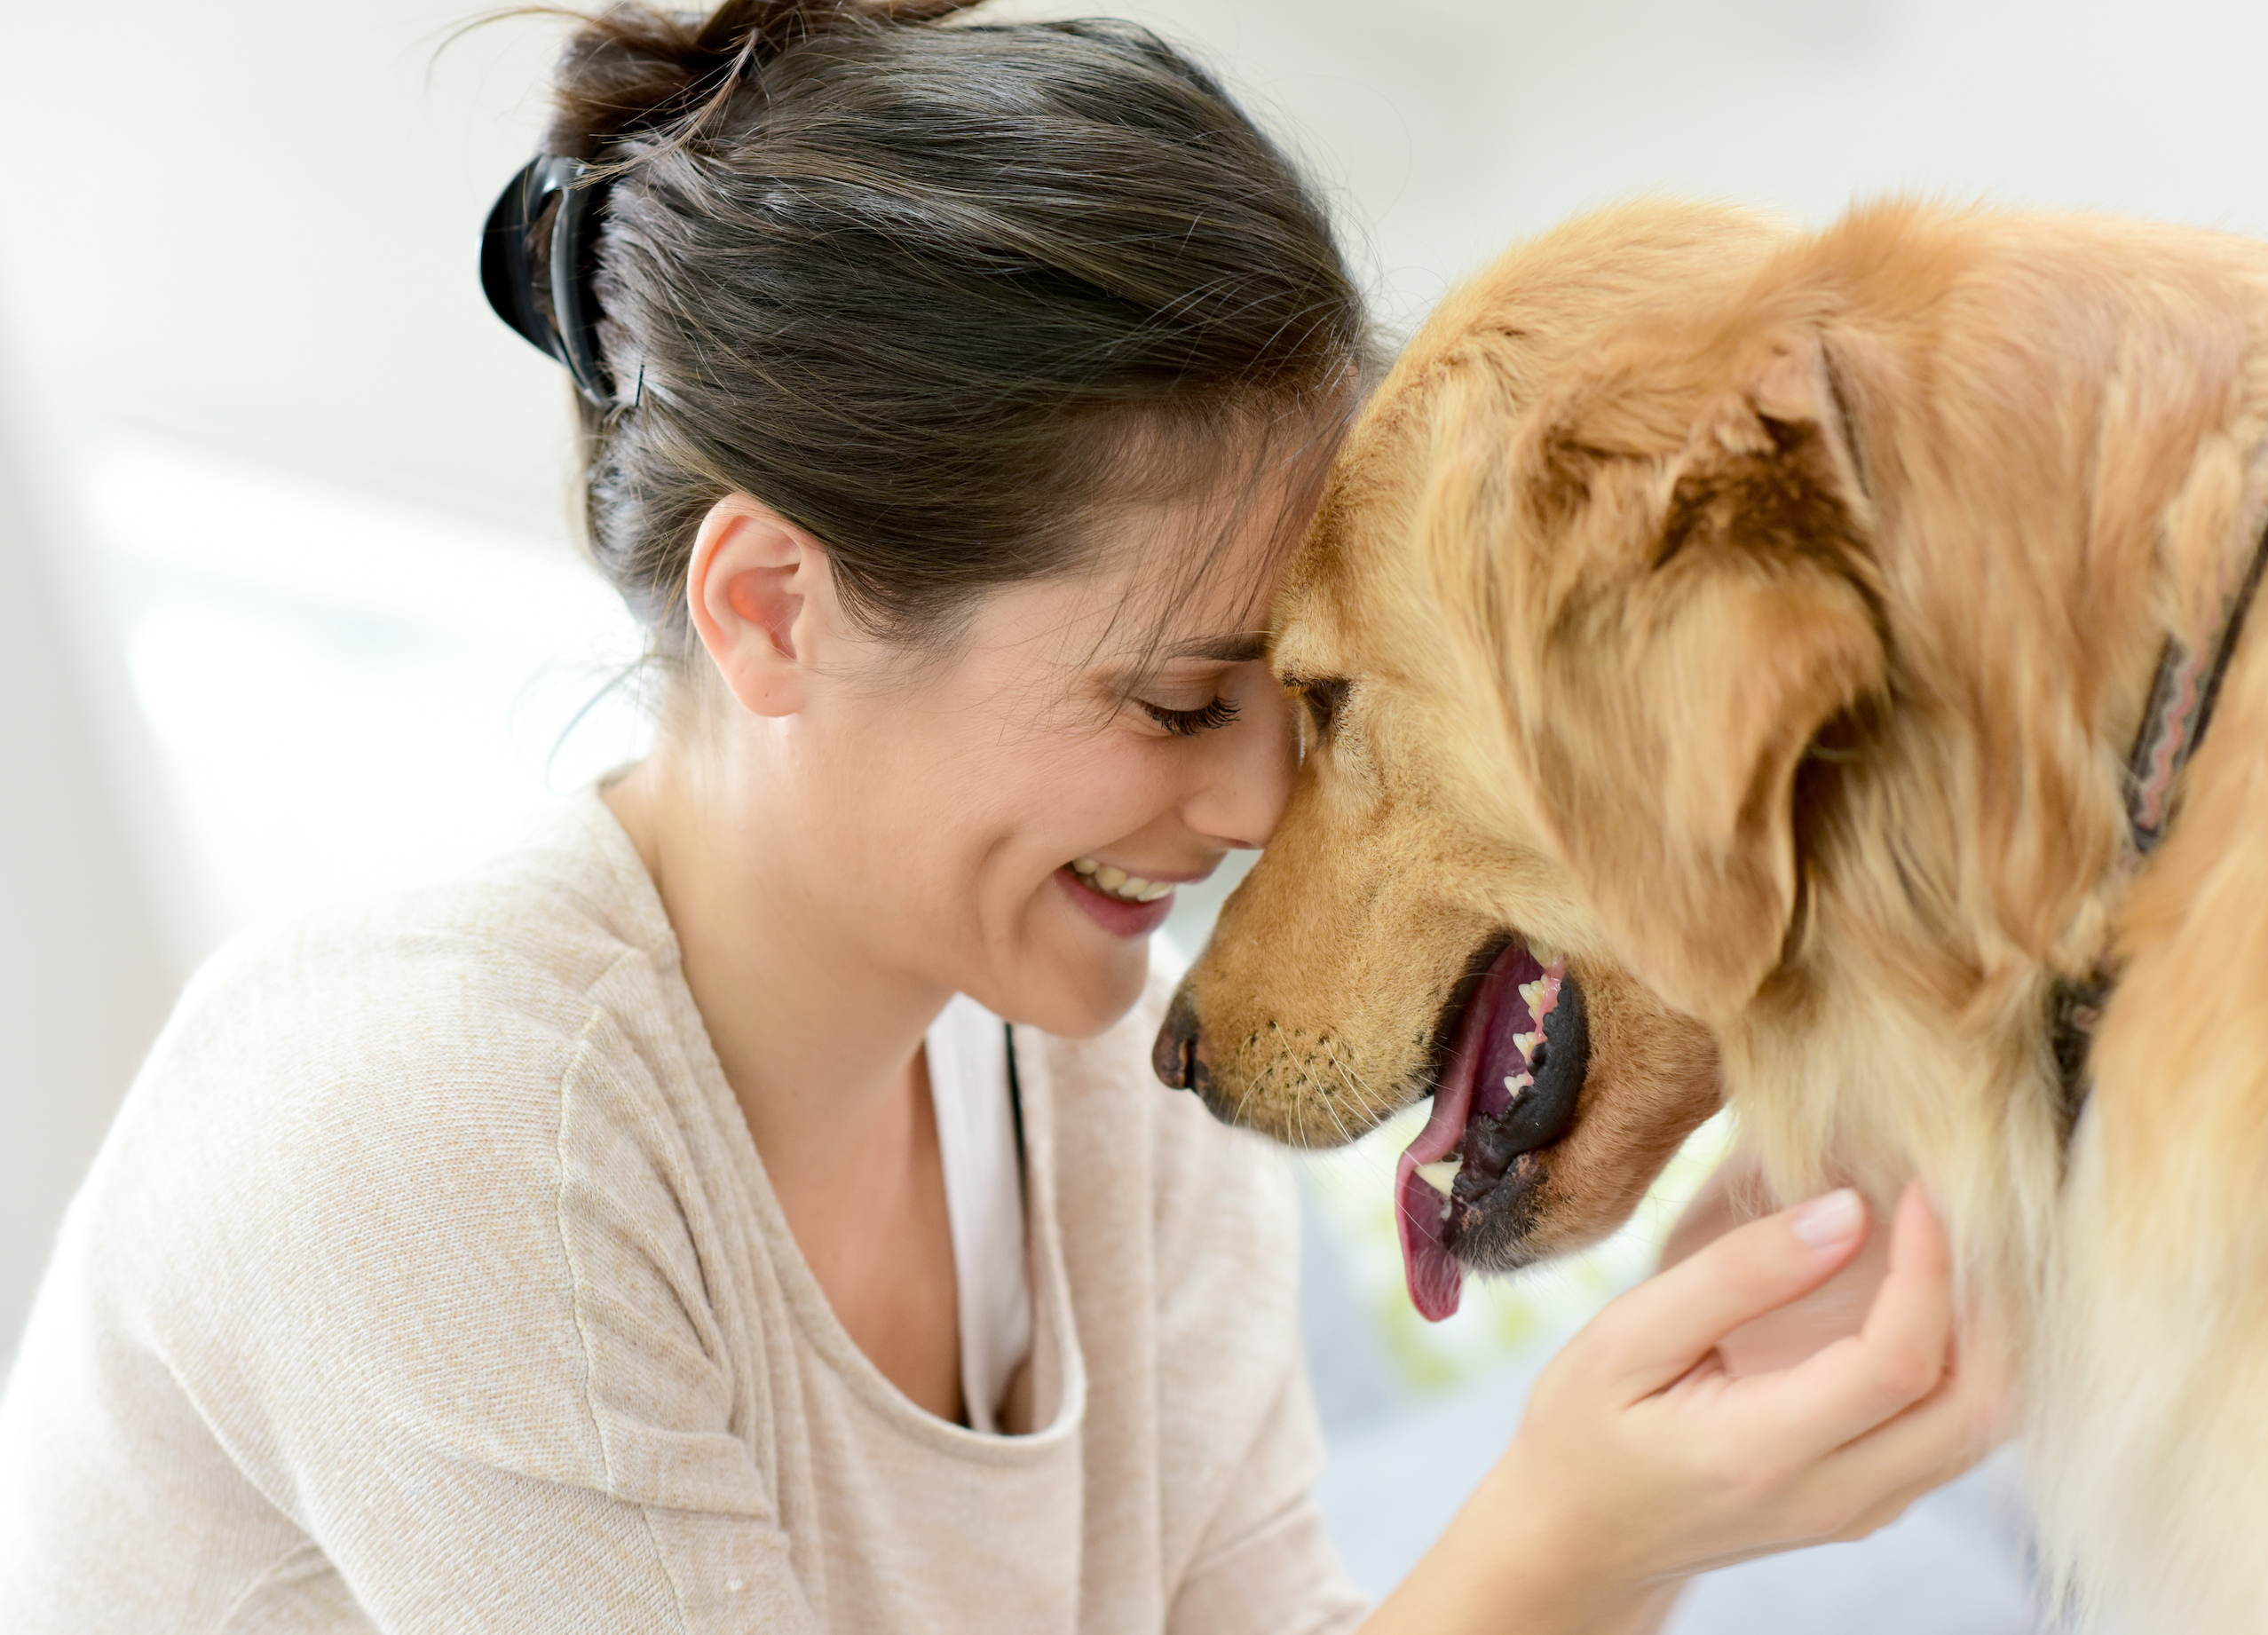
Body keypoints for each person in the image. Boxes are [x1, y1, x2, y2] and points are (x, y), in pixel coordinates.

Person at [0, 3, 2003, 1629]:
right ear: (774, 608)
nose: (1250, 809)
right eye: (1172, 700)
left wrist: (1651, 1474)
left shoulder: (1102, 1097)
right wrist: (1570, 1533)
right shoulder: (433, 1120)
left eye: (1299, 700)